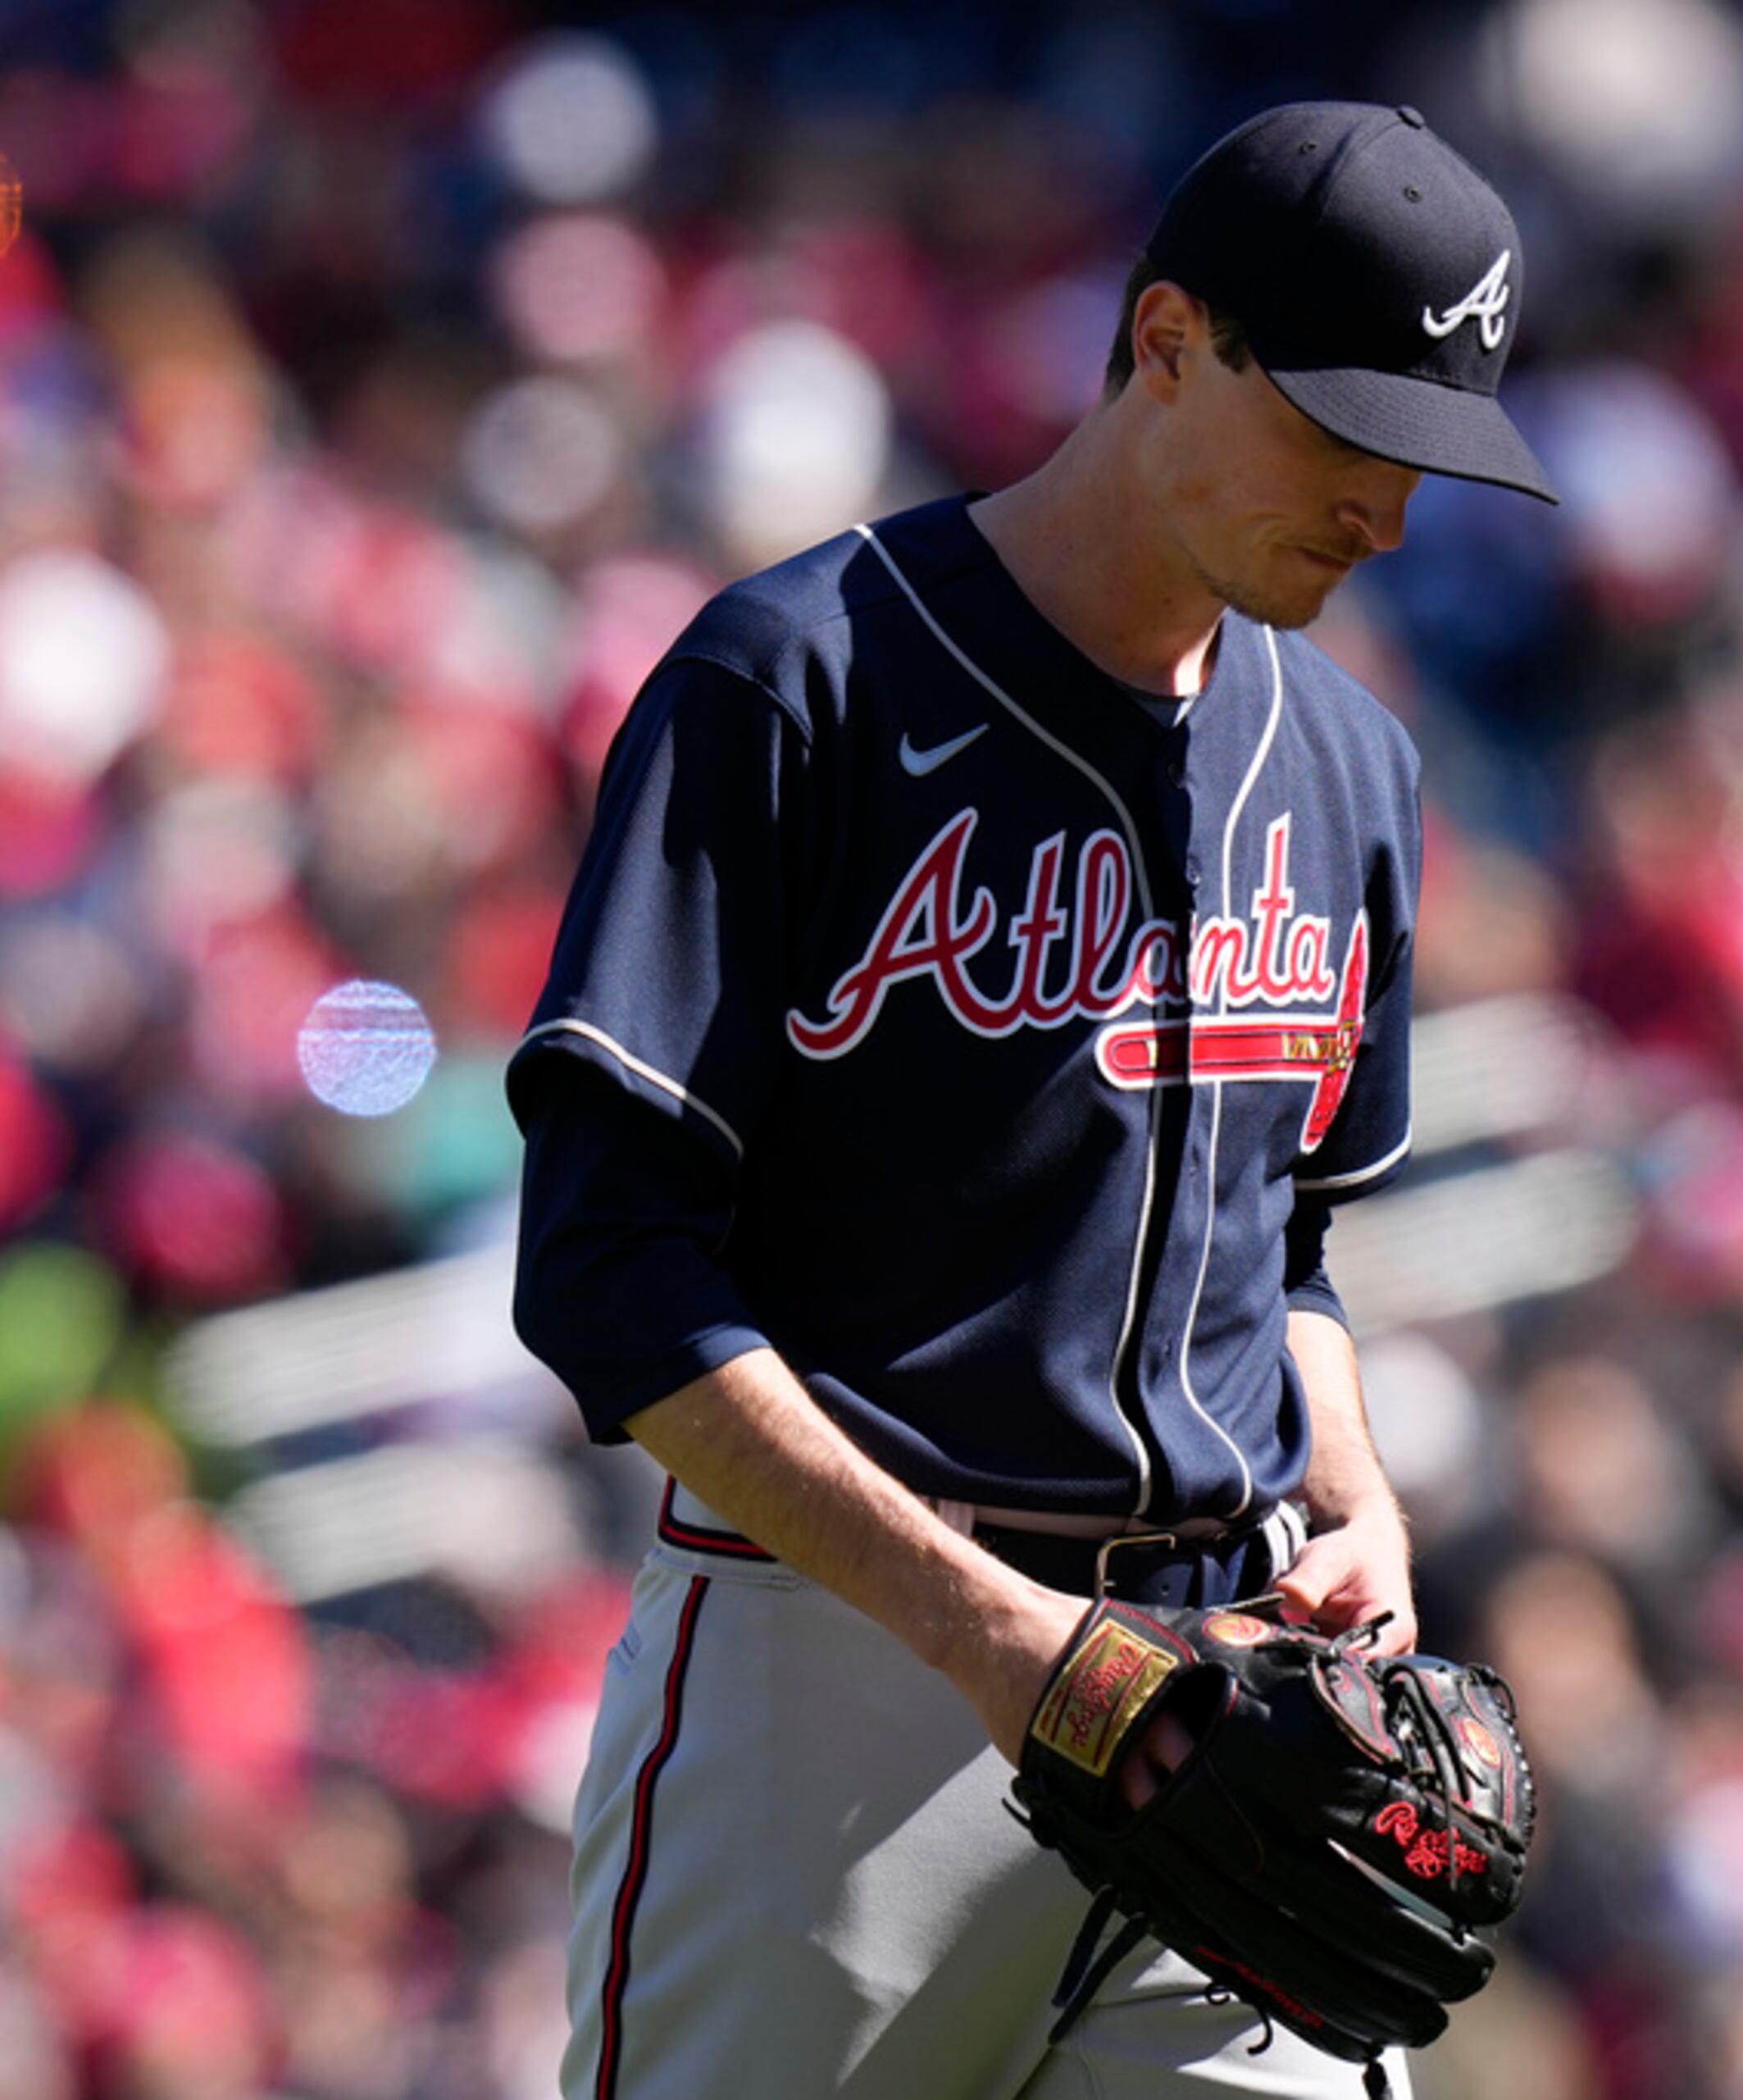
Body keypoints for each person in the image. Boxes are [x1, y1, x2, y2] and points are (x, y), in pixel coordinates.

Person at [503, 102, 1554, 2100]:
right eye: (1345, 432)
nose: (1390, 516)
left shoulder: (1353, 769)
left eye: (1426, 455)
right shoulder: (796, 684)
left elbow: (1289, 1242)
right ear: (1166, 343)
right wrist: (995, 1641)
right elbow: (609, 1274)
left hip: (1236, 1697)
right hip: (842, 1685)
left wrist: (1354, 1493)